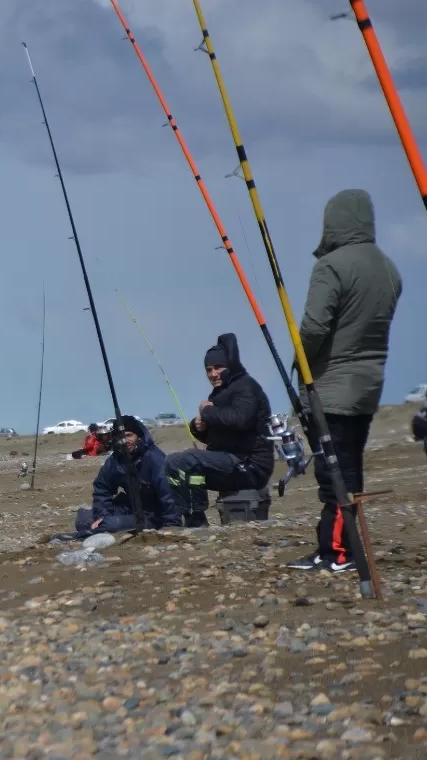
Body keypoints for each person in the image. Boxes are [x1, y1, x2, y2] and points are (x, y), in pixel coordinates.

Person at [287, 189, 402, 572]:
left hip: (333, 387)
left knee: (334, 471)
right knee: (350, 467)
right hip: (369, 386)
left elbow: (315, 327)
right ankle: (340, 546)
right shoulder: (388, 267)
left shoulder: (331, 266)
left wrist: (297, 360)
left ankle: (339, 552)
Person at [164, 333, 275, 527]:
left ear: (230, 365)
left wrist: (208, 411)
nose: (213, 374)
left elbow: (241, 420)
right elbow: (222, 435)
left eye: (218, 368)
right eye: (208, 369)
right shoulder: (220, 392)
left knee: (187, 460)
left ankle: (196, 521)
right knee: (172, 463)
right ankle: (190, 518)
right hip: (230, 461)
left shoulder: (246, 386)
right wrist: (199, 428)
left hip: (249, 465)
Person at [73, 416, 181, 536]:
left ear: (138, 436)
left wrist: (172, 524)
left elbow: (168, 494)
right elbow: (102, 487)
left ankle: (99, 530)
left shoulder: (154, 458)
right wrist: (102, 515)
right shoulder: (116, 459)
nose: (124, 441)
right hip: (129, 507)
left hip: (152, 514)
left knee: (108, 525)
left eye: (129, 435)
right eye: (120, 436)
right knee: (83, 519)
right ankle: (100, 527)